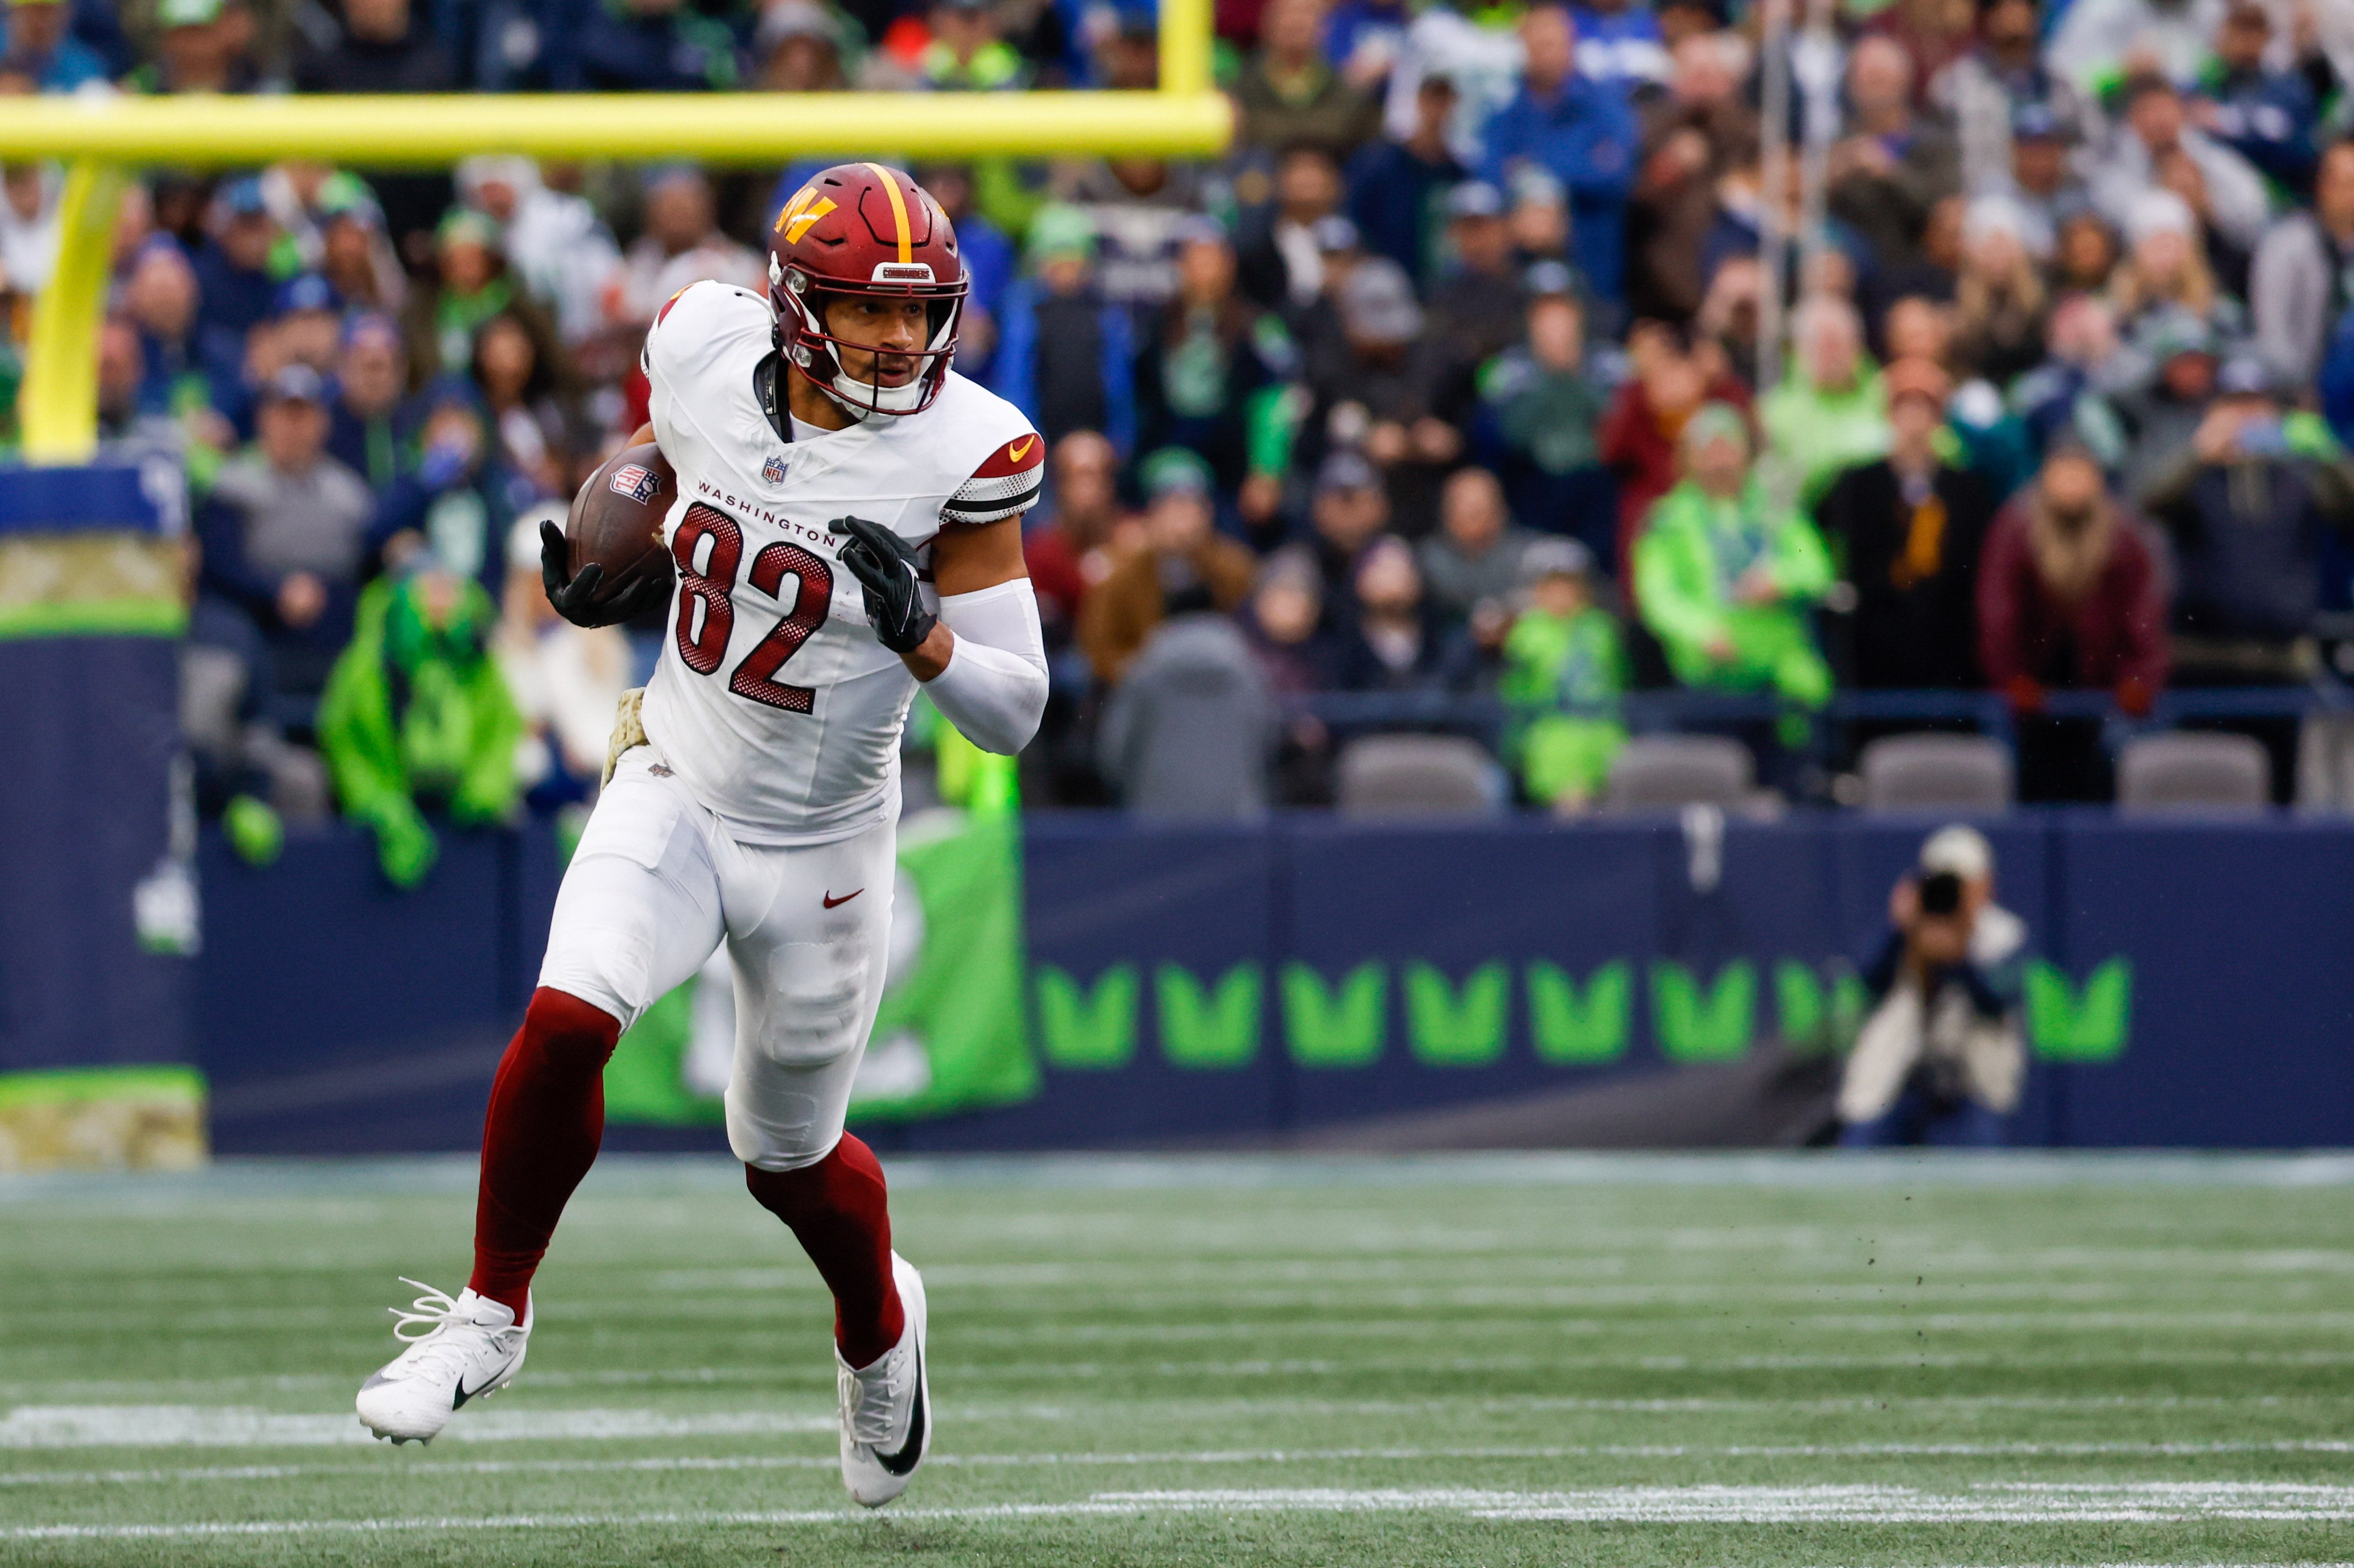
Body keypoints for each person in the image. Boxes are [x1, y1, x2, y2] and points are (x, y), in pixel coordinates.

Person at [355, 167, 1051, 1518]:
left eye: (919, 314)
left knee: (786, 1159)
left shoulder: (965, 450)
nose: (900, 340)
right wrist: (612, 532)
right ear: (795, 311)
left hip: (827, 839)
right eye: (868, 311)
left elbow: (1014, 712)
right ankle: (490, 1314)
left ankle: (879, 1328)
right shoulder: (701, 345)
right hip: (676, 769)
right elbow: (669, 450)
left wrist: (925, 636)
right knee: (569, 1015)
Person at [1978, 443, 2171, 800]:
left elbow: (2144, 616)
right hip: (2031, 690)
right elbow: (1998, 615)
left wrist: (2139, 680)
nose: (2072, 483)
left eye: (2080, 472)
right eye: (2063, 472)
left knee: (2112, 764)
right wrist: (2011, 679)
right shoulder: (2015, 528)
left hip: (2103, 691)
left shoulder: (2124, 533)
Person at [319, 563, 523, 889]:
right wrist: (380, 805)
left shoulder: (482, 665)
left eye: (449, 587)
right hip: (387, 816)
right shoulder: (369, 665)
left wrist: (484, 791)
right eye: (429, 587)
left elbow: (501, 731)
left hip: (466, 829)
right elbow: (346, 738)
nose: (440, 599)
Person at [1837, 826, 2027, 1148]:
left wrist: (1959, 958)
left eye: (1961, 882)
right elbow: (1867, 984)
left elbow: (1997, 1002)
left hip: (1971, 1085)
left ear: (1986, 885)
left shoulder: (2005, 935)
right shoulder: (1908, 928)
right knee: (1859, 1156)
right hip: (1899, 1077)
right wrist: (1899, 931)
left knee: (1984, 1165)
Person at [1813, 358, 1998, 690]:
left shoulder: (1966, 489)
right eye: (1904, 409)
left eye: (1924, 409)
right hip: (1874, 643)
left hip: (1946, 643)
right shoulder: (1856, 484)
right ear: (1890, 415)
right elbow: (1816, 532)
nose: (1914, 421)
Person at [1634, 402, 1835, 708]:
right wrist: (1701, 632)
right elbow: (1658, 596)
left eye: (1728, 448)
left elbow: (1815, 566)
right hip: (1710, 675)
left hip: (1781, 671)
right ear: (1689, 458)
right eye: (1709, 451)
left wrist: (1779, 580)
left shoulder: (1777, 510)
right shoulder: (1668, 521)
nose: (1720, 461)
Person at [196, 365, 378, 699]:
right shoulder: (235, 483)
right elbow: (221, 565)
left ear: (323, 423)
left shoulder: (349, 494)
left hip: (332, 626)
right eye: (284, 415)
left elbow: (367, 567)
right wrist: (277, 590)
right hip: (256, 620)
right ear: (264, 419)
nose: (294, 428)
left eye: (304, 416)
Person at [1480, 3, 1641, 309]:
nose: (1547, 54)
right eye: (1539, 44)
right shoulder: (1505, 114)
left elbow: (1617, 175)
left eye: (1554, 43)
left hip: (1593, 269)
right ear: (1523, 46)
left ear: (1572, 44)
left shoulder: (1604, 108)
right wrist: (1527, 202)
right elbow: (1489, 178)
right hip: (1521, 269)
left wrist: (1540, 179)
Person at [1076, 448, 1256, 686]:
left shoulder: (1235, 568)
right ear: (1152, 514)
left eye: (1190, 509)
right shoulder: (1122, 572)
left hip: (1216, 684)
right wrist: (1148, 676)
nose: (1181, 522)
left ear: (1207, 514)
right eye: (1171, 509)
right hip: (1143, 689)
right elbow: (1100, 648)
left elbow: (1252, 641)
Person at [1499, 537, 1625, 813]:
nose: (1561, 594)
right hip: (1547, 737)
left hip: (1603, 736)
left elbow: (1618, 682)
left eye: (1569, 584)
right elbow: (1515, 694)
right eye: (1551, 586)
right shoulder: (1525, 634)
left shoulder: (1602, 630)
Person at [2251, 138, 2354, 390]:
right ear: (2320, 185)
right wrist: (2298, 389)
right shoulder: (2286, 244)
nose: (2349, 195)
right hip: (2299, 386)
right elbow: (2272, 331)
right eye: (2343, 183)